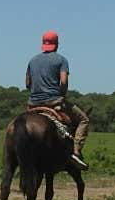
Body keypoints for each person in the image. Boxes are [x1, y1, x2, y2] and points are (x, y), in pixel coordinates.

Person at [26, 31, 90, 170]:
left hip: (33, 104)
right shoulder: (61, 60)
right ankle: (76, 151)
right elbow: (64, 81)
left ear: (43, 44)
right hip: (54, 102)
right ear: (57, 45)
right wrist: (62, 94)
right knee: (84, 119)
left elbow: (27, 83)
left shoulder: (32, 60)